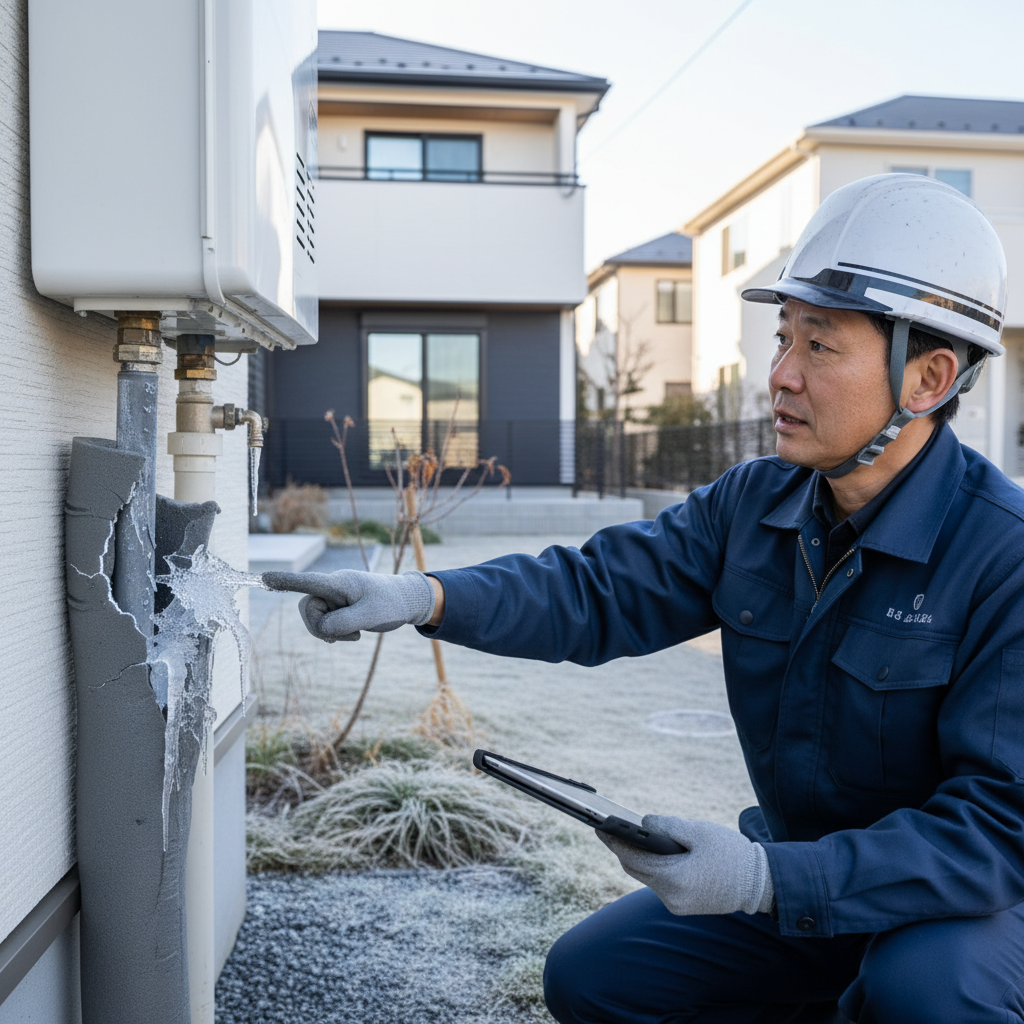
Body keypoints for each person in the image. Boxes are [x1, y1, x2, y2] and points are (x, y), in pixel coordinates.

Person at [265, 174, 1024, 1023]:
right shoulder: (754, 506)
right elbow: (596, 589)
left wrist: (765, 879)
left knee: (924, 995)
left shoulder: (1005, 556)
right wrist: (422, 594)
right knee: (593, 977)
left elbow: (999, 829)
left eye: (820, 346)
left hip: (966, 909)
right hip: (800, 877)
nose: (780, 376)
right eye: (783, 337)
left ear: (928, 378)